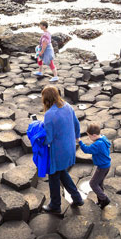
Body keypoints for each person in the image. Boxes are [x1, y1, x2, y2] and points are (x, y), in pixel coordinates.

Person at [41, 86, 83, 215]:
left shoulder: (49, 114)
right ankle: (77, 198)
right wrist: (77, 137)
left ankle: (55, 205)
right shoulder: (67, 106)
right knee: (62, 173)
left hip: (58, 152)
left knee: (53, 176)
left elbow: (49, 139)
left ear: (46, 100)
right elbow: (76, 124)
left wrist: (39, 140)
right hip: (70, 148)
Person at [78, 123, 111, 208]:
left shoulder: (98, 144)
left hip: (102, 167)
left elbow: (86, 149)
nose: (89, 138)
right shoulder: (103, 138)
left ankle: (105, 199)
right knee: (99, 183)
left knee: (92, 183)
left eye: (89, 136)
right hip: (106, 165)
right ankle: (101, 200)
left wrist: (80, 142)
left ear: (94, 135)